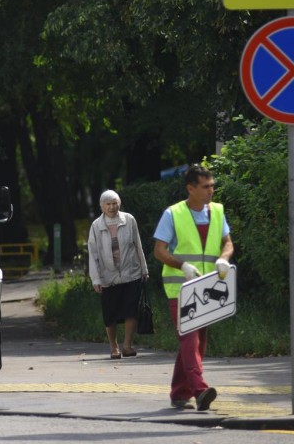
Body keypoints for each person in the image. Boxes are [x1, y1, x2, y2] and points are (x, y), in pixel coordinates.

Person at [153, 165, 234, 412]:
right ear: (191, 188)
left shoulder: (217, 212)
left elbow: (227, 243)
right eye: (206, 186)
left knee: (197, 344)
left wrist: (224, 258)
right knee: (189, 339)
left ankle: (179, 393)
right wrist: (182, 265)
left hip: (208, 288)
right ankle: (200, 391)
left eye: (212, 185)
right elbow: (159, 251)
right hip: (181, 289)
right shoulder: (173, 213)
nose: (211, 190)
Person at [87, 189, 148, 359]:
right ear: (102, 207)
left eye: (115, 203)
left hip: (131, 272)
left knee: (131, 310)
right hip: (108, 276)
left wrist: (144, 269)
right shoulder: (96, 226)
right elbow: (93, 254)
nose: (112, 207)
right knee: (110, 313)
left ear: (119, 204)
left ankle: (127, 345)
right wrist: (96, 279)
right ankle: (114, 347)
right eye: (108, 204)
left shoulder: (129, 220)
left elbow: (138, 245)